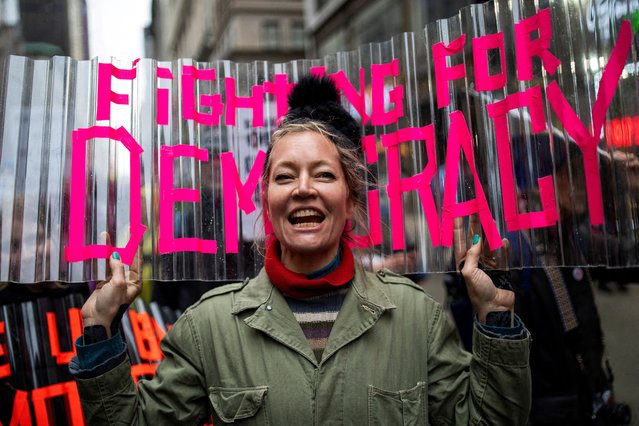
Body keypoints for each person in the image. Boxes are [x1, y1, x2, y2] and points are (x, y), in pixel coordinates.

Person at [70, 75, 531, 425]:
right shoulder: (207, 327)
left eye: (325, 175)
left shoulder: (416, 317)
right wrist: (99, 331)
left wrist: (495, 320)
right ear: (265, 199)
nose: (304, 189)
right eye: (286, 176)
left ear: (351, 199)